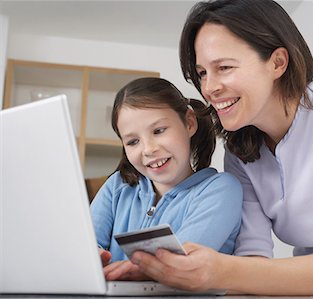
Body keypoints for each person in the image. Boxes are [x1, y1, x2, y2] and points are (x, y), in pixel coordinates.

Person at [126, 0, 313, 295]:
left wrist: (219, 270)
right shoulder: (240, 150)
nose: (209, 88)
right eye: (203, 73)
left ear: (278, 62)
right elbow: (253, 259)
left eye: (224, 67)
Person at [90, 77, 243, 281]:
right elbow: (87, 244)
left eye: (159, 131)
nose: (149, 149)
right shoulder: (117, 186)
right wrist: (91, 256)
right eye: (133, 141)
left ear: (189, 123)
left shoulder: (222, 190)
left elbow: (180, 263)